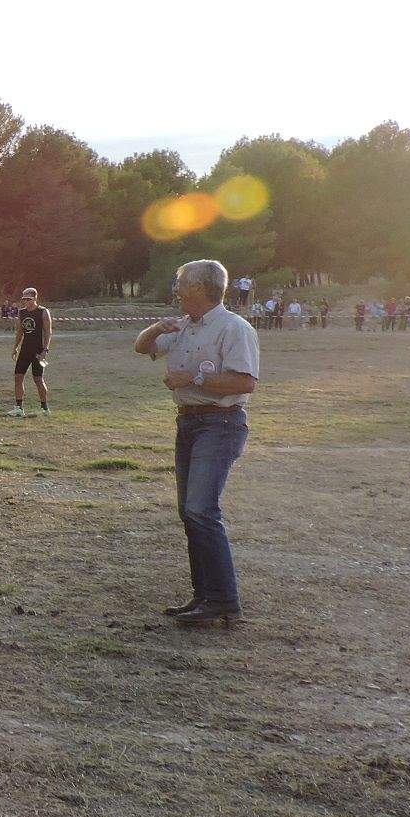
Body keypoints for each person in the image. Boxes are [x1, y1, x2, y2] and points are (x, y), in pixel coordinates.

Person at [135, 258, 261, 629]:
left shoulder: (233, 328)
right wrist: (158, 326)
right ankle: (204, 595)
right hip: (189, 423)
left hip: (220, 424)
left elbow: (245, 383)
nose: (176, 292)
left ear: (197, 289)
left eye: (180, 286)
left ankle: (224, 600)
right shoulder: (185, 327)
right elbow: (143, 347)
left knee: (201, 509)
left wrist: (193, 379)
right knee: (190, 512)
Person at [6, 286, 52, 417]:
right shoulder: (22, 312)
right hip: (25, 349)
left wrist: (45, 350)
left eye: (28, 299)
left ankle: (44, 408)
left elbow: (48, 332)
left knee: (38, 379)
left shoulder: (43, 312)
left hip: (38, 350)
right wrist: (15, 347)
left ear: (34, 298)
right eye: (24, 299)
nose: (25, 301)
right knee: (18, 377)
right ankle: (18, 407)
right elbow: (20, 332)